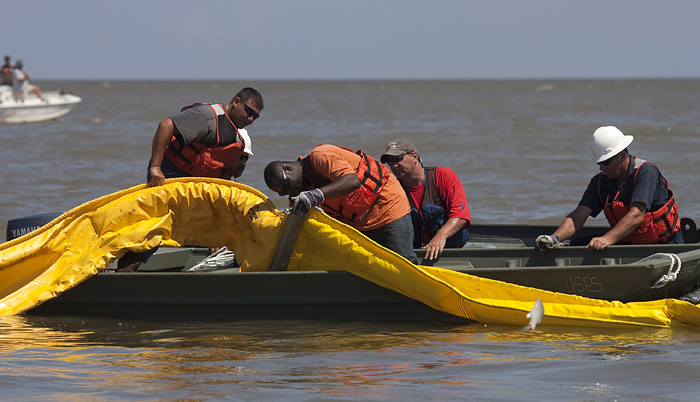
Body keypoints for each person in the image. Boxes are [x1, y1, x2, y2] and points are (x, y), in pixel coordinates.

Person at [116, 87, 263, 272]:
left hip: (192, 182)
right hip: (169, 174)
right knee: (160, 226)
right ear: (236, 102)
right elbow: (165, 126)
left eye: (255, 117)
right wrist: (155, 168)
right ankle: (126, 268)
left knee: (224, 218)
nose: (250, 119)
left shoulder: (235, 134)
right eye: (249, 112)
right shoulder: (208, 116)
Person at [535, 126, 682, 254]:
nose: (601, 168)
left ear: (623, 156)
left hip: (664, 244)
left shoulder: (646, 172)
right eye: (599, 162)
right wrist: (554, 238)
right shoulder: (600, 181)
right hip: (628, 244)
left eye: (606, 162)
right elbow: (578, 215)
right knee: (577, 244)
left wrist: (607, 239)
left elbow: (637, 215)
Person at [264, 144, 419, 264]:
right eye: (282, 193)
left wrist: (316, 195)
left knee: (403, 264)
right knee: (367, 271)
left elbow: (351, 181)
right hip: (359, 225)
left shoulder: (321, 156)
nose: (288, 193)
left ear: (288, 168)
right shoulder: (299, 194)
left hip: (388, 208)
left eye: (286, 186)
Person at [380, 139, 471, 260]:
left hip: (455, 251)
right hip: (416, 254)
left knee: (488, 248)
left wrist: (441, 235)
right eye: (390, 162)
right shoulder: (392, 189)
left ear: (414, 157)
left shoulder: (442, 176)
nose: (394, 165)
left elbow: (460, 216)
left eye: (398, 159)